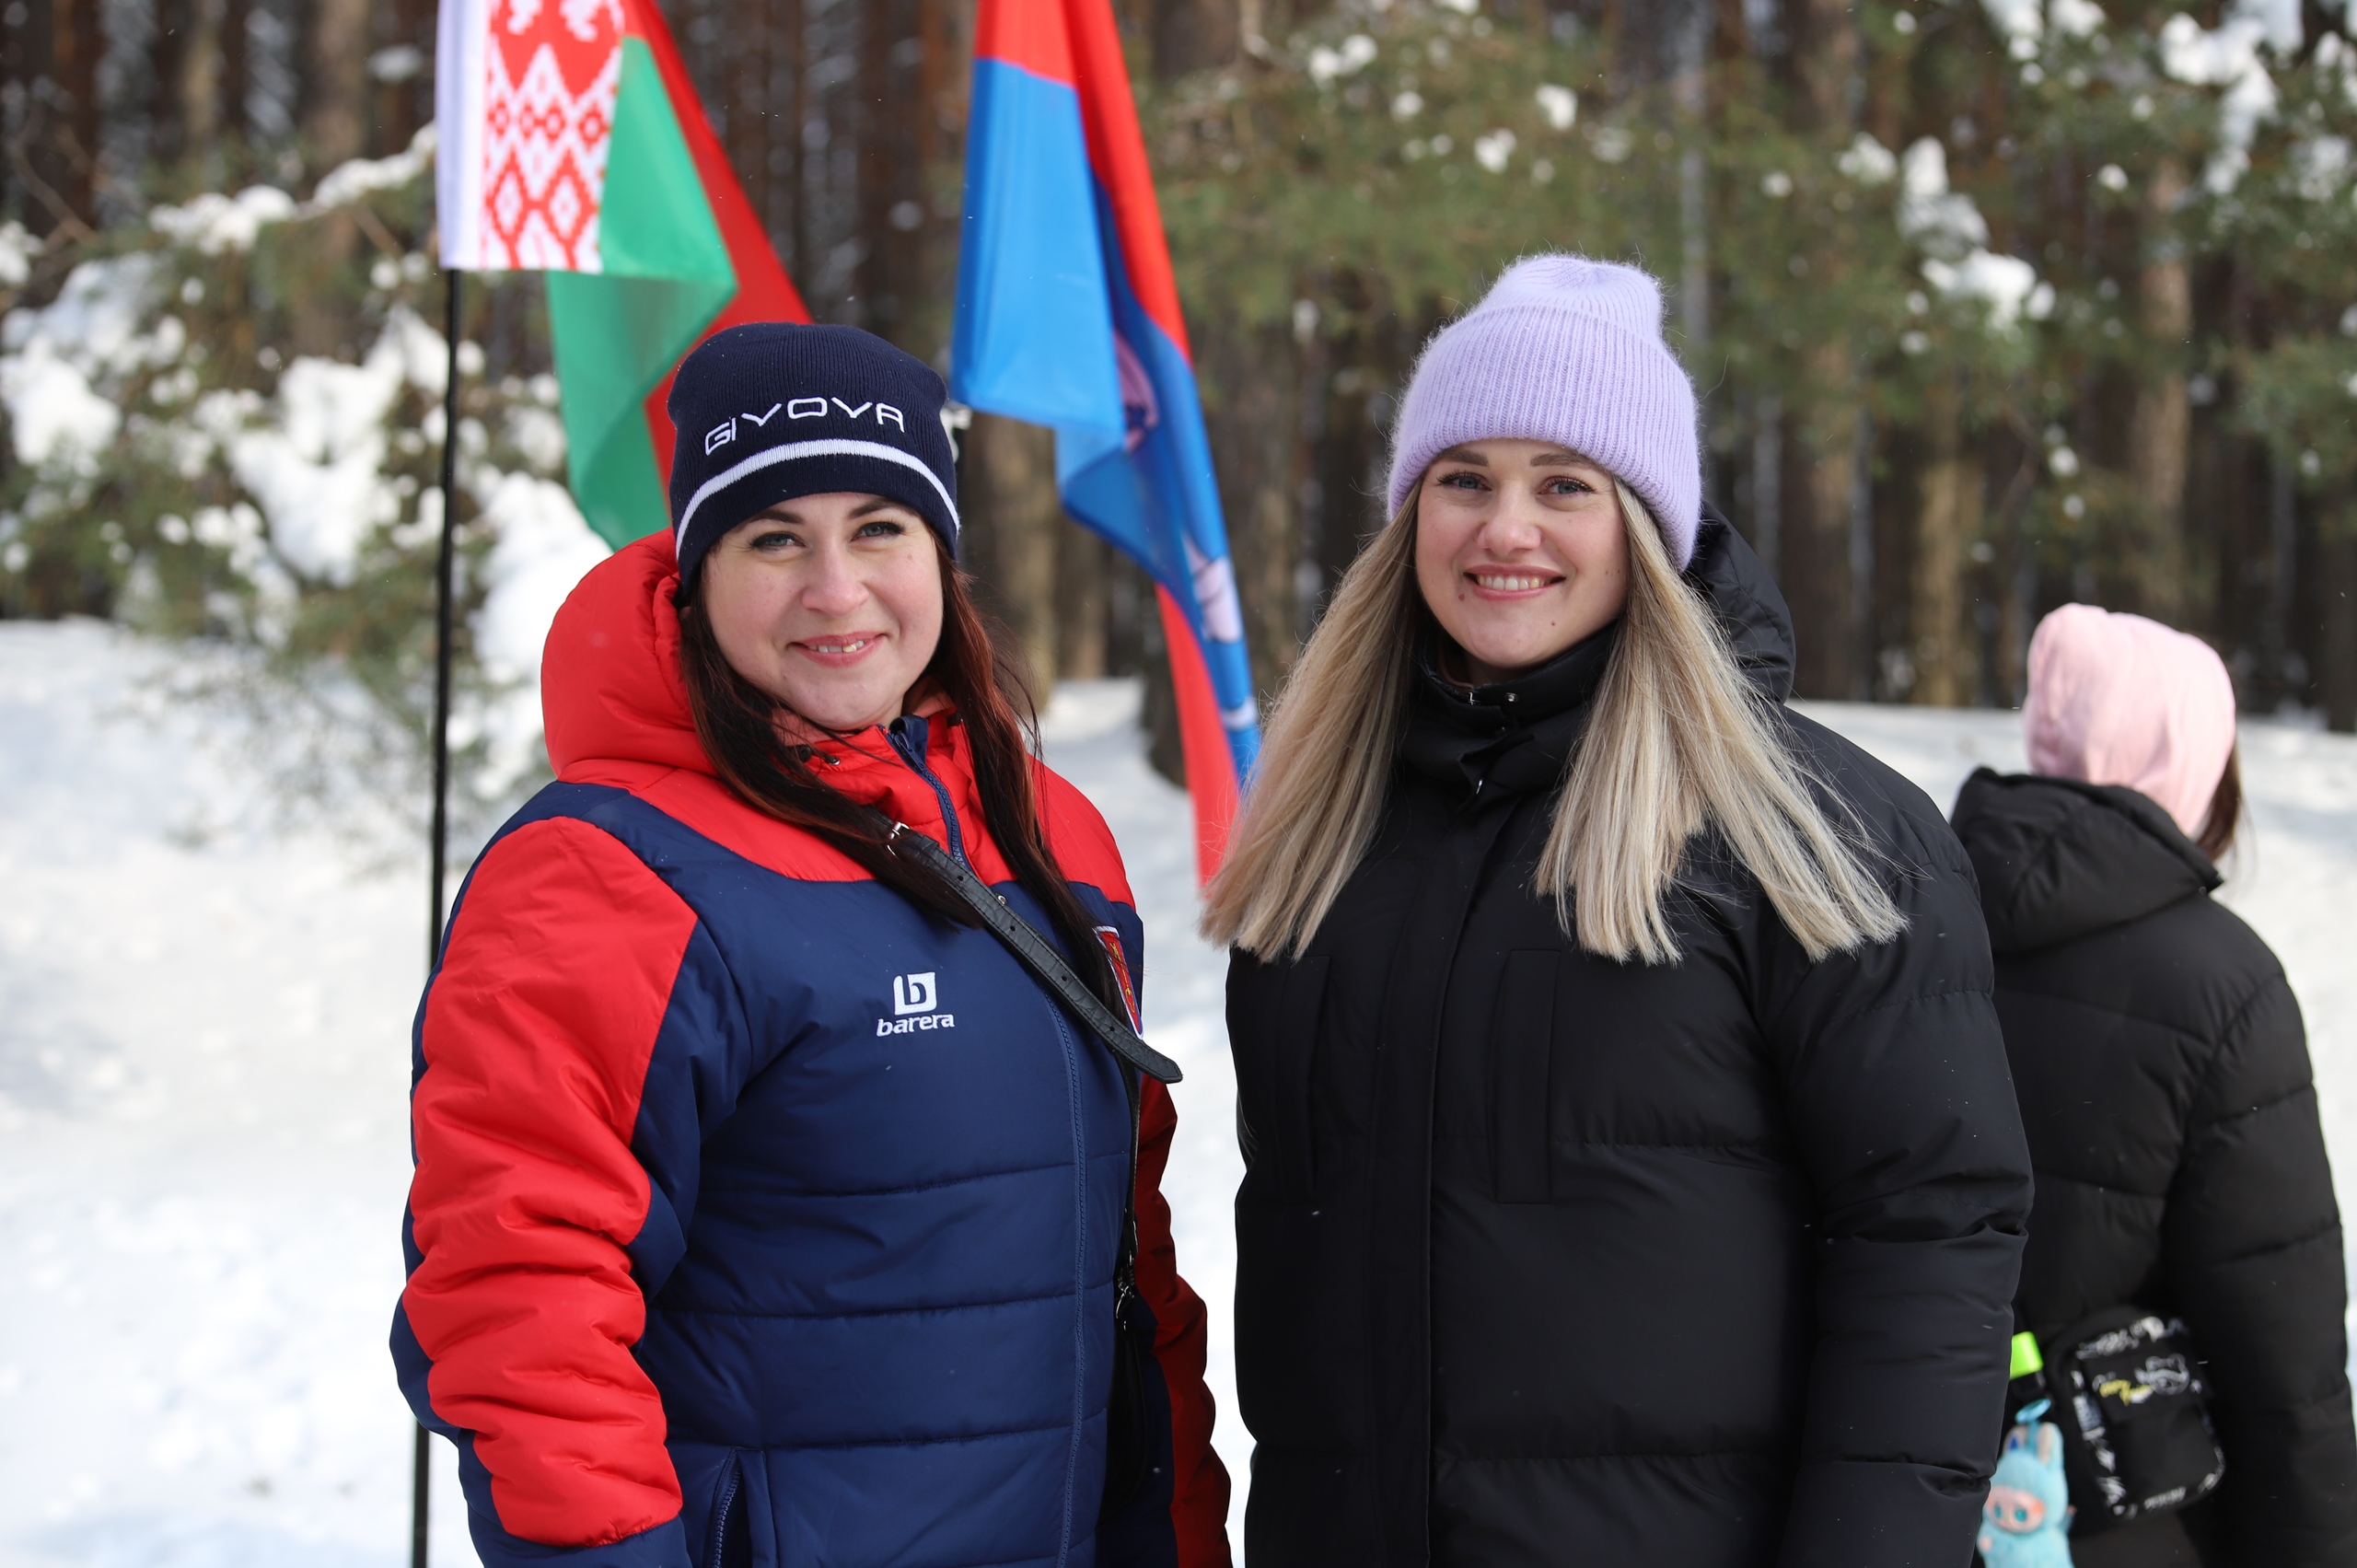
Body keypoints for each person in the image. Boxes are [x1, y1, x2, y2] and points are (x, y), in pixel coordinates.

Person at [1202, 255, 2035, 1568]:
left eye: (1565, 484)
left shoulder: (1809, 828)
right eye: (1462, 477)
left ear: (1645, 522)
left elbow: (1929, 1235)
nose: (1505, 528)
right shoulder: (1328, 826)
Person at [392, 322, 1229, 1568]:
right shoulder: (608, 870)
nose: (835, 589)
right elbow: (519, 1300)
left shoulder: (1052, 834)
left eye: (879, 528)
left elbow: (1125, 1260)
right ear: (694, 571)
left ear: (941, 559)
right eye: (775, 537)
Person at [1951, 605, 2357, 1567]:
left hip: (1901, 1497)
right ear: (2191, 764)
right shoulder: (2220, 982)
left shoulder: (1904, 917)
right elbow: (2280, 1355)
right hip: (2128, 1522)